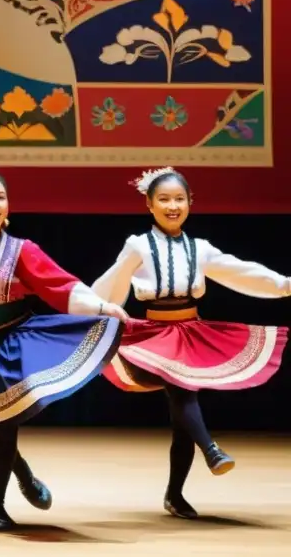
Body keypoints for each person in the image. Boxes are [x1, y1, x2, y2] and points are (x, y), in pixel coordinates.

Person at [0, 159, 127, 530]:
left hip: (16, 342)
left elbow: (59, 285)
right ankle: (25, 475)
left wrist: (101, 306)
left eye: (1, 197)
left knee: (6, 423)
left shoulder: (21, 249)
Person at [92, 167, 289, 519]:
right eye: (164, 200)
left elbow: (239, 270)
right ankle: (211, 450)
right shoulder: (138, 245)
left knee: (182, 410)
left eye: (179, 199)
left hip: (190, 330)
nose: (172, 206)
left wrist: (284, 284)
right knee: (182, 393)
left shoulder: (200, 249)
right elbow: (113, 281)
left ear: (190, 203)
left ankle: (174, 495)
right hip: (155, 334)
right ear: (149, 205)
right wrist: (95, 309)